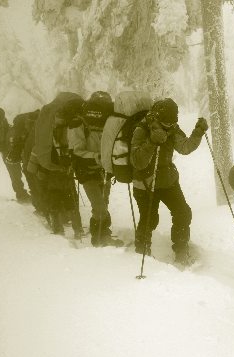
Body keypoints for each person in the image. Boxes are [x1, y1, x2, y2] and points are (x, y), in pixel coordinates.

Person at [130, 98, 209, 264]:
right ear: (157, 117)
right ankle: (142, 252)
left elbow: (184, 147)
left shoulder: (172, 127)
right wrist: (151, 141)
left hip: (167, 180)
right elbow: (137, 162)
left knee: (183, 212)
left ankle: (181, 250)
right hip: (145, 183)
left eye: (172, 123)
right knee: (150, 218)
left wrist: (198, 131)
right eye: (166, 123)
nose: (169, 126)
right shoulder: (141, 129)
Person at [67, 91, 123, 247]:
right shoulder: (78, 123)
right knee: (99, 208)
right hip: (87, 171)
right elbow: (77, 151)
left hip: (104, 170)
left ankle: (104, 235)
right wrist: (98, 156)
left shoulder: (107, 122)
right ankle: (97, 241)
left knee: (103, 204)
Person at [32, 92, 84, 236]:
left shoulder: (47, 112)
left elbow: (40, 139)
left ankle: (58, 226)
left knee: (54, 194)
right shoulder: (72, 115)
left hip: (50, 160)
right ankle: (77, 228)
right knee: (70, 194)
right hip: (65, 160)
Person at [0, 107, 31, 203]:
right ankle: (21, 194)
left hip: (8, 149)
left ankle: (21, 193)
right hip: (8, 149)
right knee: (15, 173)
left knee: (15, 173)